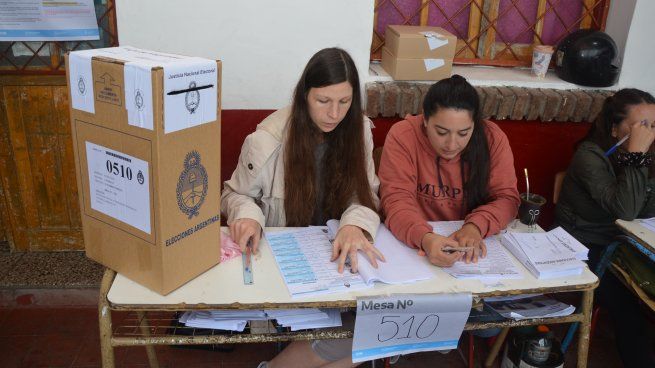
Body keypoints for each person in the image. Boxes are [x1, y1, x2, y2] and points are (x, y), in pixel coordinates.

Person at [221, 47, 383, 368]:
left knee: (370, 334)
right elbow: (234, 196)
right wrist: (249, 217)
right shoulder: (267, 140)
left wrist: (354, 224)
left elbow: (367, 194)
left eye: (344, 102)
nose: (334, 114)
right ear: (304, 95)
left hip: (333, 258)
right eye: (323, 101)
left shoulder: (358, 130)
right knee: (364, 339)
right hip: (286, 263)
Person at [555, 88, 655, 368]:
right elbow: (626, 209)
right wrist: (636, 156)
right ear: (615, 129)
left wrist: (641, 160)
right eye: (641, 126)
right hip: (583, 245)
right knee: (629, 309)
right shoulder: (590, 156)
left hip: (622, 243)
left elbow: (647, 207)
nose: (648, 134)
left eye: (654, 126)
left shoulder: (646, 155)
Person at [378, 75, 520, 266]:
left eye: (463, 133)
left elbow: (507, 198)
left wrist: (475, 226)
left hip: (471, 251)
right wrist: (426, 239)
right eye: (442, 132)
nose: (452, 144)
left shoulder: (492, 139)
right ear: (425, 119)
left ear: (475, 125)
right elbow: (395, 200)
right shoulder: (403, 136)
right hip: (413, 247)